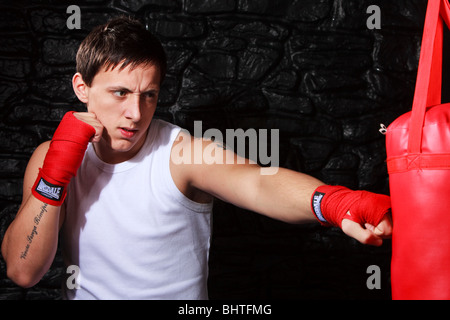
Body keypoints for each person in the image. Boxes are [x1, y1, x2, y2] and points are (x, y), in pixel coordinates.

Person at [1, 17, 392, 300]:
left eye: (149, 95)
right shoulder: (48, 159)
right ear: (82, 87)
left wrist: (337, 201)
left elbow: (258, 181)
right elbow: (23, 272)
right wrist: (56, 172)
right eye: (120, 93)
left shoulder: (181, 153)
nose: (136, 113)